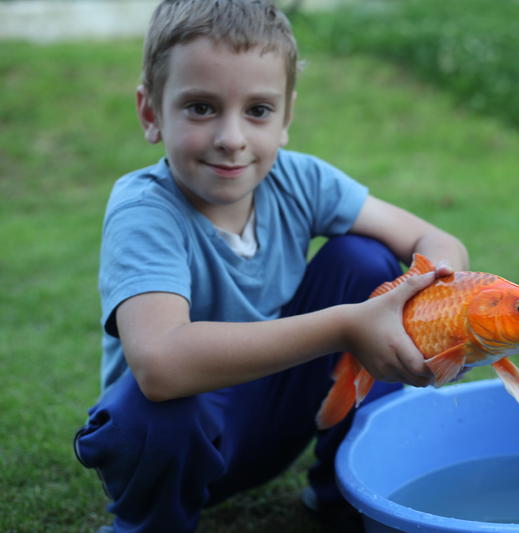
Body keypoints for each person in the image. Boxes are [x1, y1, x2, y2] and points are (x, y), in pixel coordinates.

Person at [72, 1, 468, 531]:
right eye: (201, 108)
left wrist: (446, 304)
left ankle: (349, 496)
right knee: (152, 406)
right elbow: (160, 365)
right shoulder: (145, 211)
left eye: (257, 110)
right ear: (151, 114)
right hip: (176, 443)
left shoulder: (299, 180)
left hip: (277, 420)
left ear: (286, 118)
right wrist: (345, 326)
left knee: (364, 260)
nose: (232, 138)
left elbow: (432, 238)